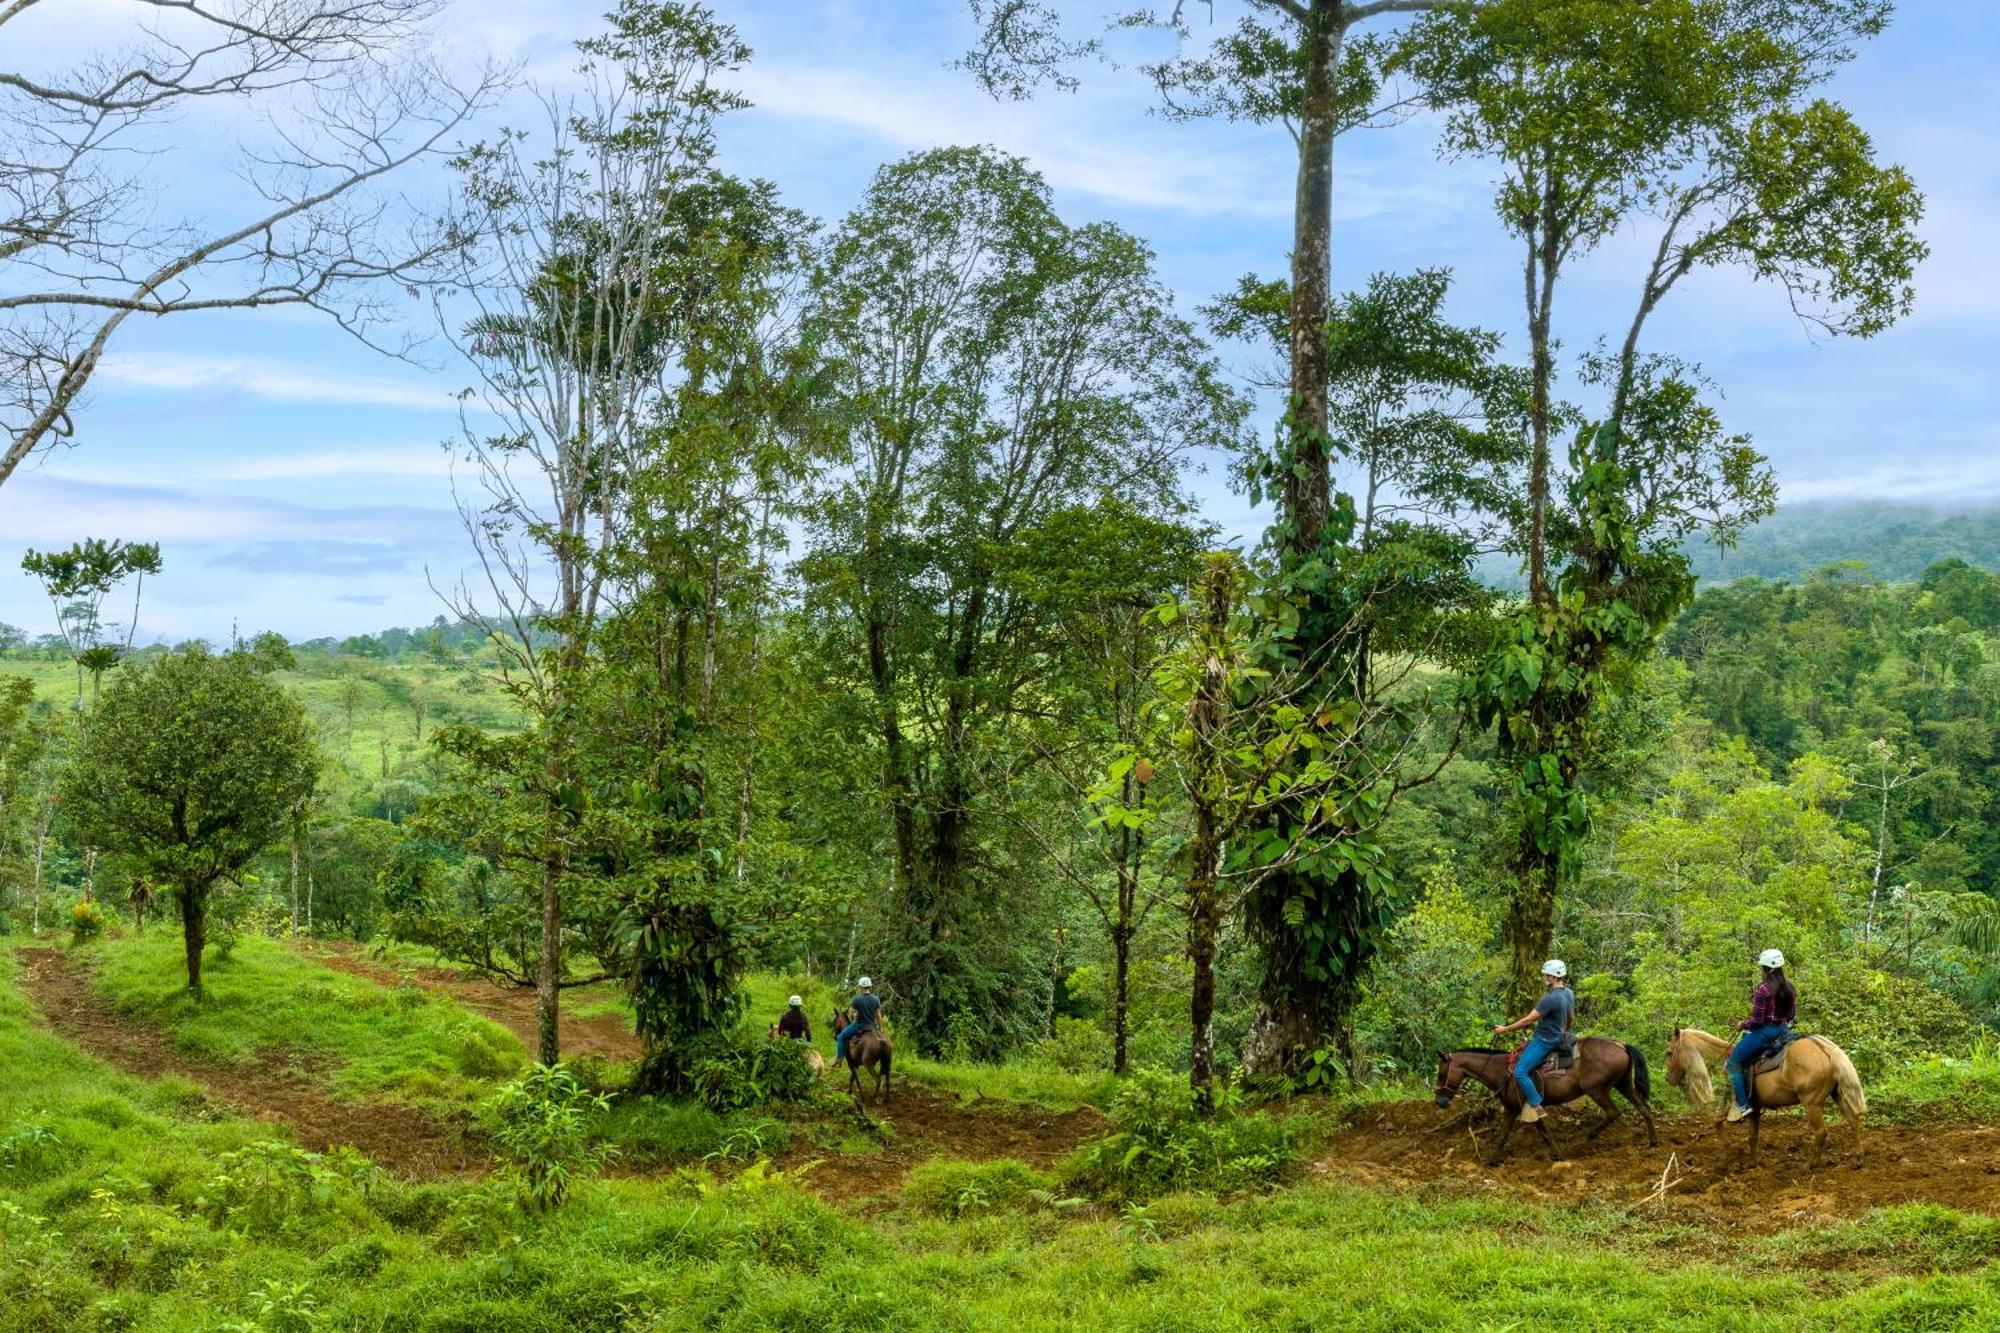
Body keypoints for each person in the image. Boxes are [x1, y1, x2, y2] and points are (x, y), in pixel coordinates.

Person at [1491, 960, 1573, 1124]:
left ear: (1553, 976)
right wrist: (1564, 1031)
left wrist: (1504, 1029)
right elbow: (1570, 1016)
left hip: (1545, 1040)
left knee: (1520, 1071)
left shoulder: (1550, 998)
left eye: (1546, 974)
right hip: (1559, 1035)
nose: (1544, 977)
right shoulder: (1568, 993)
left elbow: (1527, 1021)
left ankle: (1536, 1103)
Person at [1726, 948, 1797, 1122]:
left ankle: (1743, 1106)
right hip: (1784, 1030)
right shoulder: (1790, 987)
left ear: (1767, 969)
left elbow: (1758, 1021)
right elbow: (1792, 1014)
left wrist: (1743, 1024)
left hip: (1765, 1032)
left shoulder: (1763, 990)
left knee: (1733, 1063)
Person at [833, 976, 882, 1067]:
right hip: (872, 1026)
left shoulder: (856, 999)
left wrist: (854, 1016)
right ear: (870, 987)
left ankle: (839, 1059)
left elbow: (850, 1014)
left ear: (861, 987)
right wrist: (880, 1027)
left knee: (840, 1037)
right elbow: (878, 1015)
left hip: (859, 1026)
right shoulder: (876, 999)